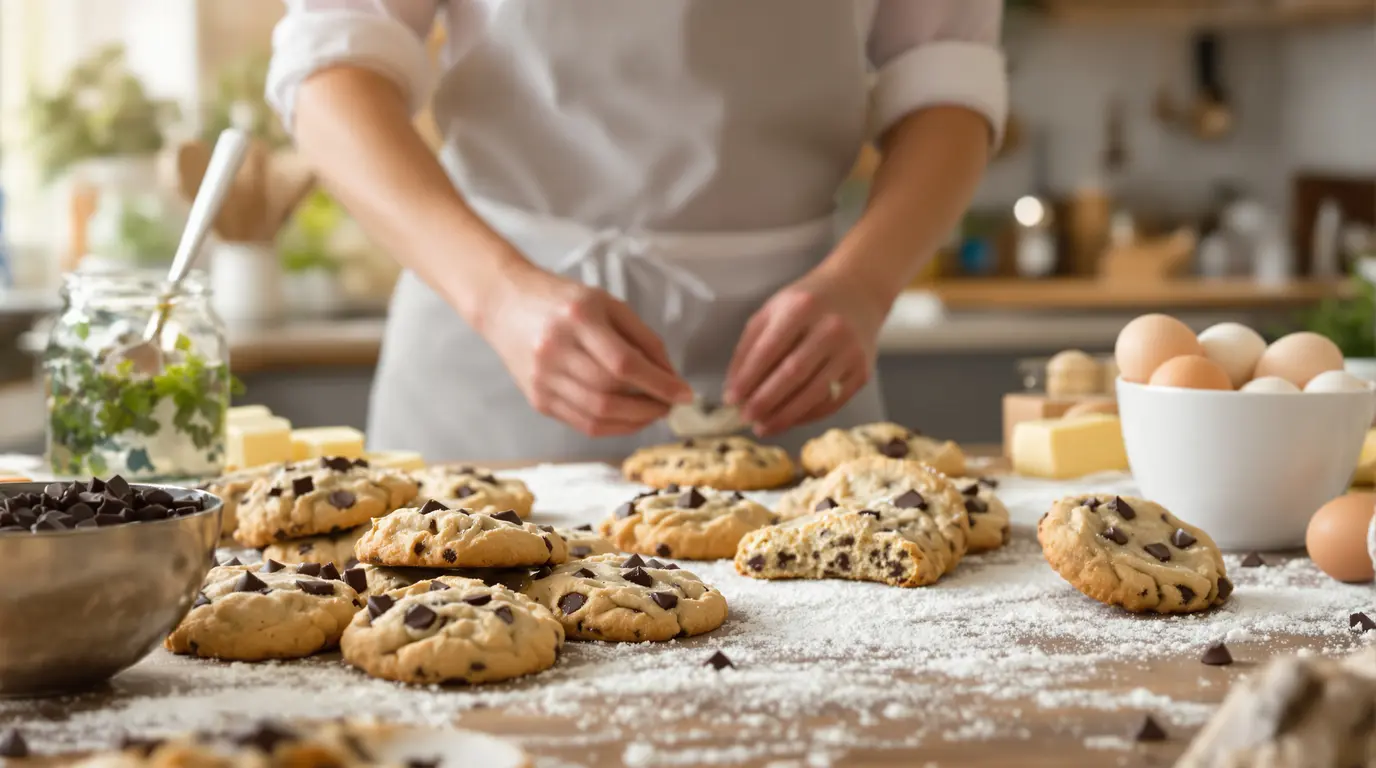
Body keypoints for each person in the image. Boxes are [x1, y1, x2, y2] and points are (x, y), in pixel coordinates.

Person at [267, 0, 1006, 462]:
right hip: (489, 351)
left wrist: (866, 283)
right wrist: (500, 295)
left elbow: (946, 82)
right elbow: (330, 70)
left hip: (801, 349)